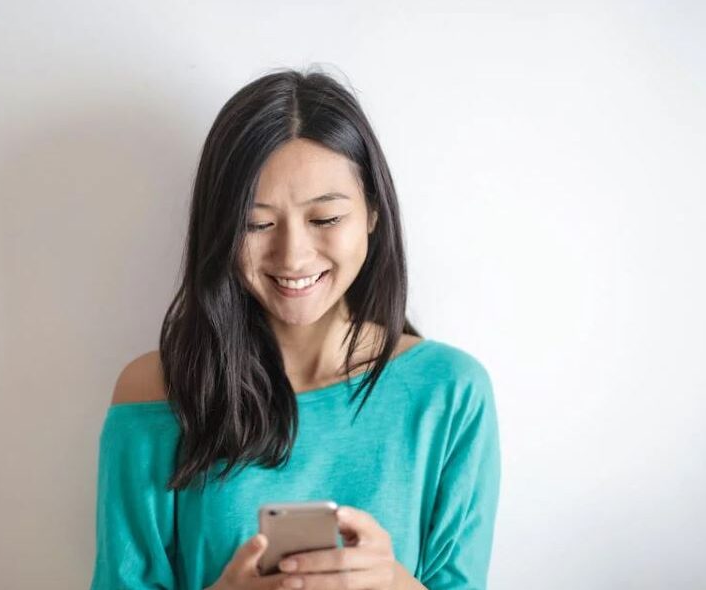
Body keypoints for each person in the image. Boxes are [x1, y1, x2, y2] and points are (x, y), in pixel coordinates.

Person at [89, 66, 500, 590]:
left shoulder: (450, 392)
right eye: (257, 224)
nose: (293, 255)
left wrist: (394, 582)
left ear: (373, 211)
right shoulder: (154, 393)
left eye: (325, 219)